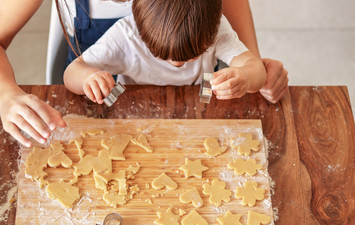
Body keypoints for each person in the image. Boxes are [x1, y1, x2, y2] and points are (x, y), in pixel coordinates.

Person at [0, 0, 288, 147]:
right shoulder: (125, 36)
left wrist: (256, 74)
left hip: (195, 105)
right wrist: (6, 93)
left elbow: (249, 64)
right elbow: (73, 74)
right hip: (111, 103)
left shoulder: (212, 27)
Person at [64, 0, 266, 104]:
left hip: (200, 98)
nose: (177, 64)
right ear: (141, 30)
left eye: (192, 55)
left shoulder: (216, 28)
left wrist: (246, 77)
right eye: (160, 54)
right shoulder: (126, 34)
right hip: (129, 101)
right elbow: (71, 73)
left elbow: (257, 69)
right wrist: (88, 78)